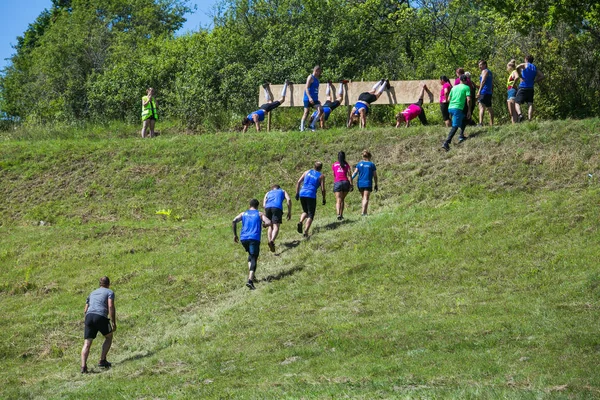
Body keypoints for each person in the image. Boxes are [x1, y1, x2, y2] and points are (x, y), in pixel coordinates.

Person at [232, 199, 272, 290]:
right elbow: (269, 222)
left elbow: (234, 221)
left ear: (249, 205)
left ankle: (252, 275)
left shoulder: (243, 213)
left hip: (243, 239)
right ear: (257, 206)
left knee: (250, 256)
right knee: (254, 257)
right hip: (254, 238)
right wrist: (265, 225)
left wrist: (235, 235)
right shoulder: (259, 214)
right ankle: (250, 281)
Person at [81, 276, 116, 374]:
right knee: (109, 337)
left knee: (87, 343)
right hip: (100, 316)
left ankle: (83, 367)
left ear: (99, 284)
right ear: (108, 284)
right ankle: (102, 360)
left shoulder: (92, 293)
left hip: (89, 316)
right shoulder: (109, 292)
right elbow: (110, 306)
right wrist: (113, 322)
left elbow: (85, 310)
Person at [442, 74, 472, 151]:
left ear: (460, 80)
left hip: (450, 108)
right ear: (465, 80)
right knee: (455, 126)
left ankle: (461, 135)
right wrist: (469, 110)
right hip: (457, 109)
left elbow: (448, 99)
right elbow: (468, 99)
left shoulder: (454, 87)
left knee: (465, 118)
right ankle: (446, 142)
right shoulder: (466, 87)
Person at [295, 162, 326, 237]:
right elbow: (322, 189)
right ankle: (306, 232)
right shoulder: (321, 176)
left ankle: (301, 221)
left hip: (302, 193)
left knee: (305, 211)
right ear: (321, 168)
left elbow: (299, 182)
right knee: (311, 214)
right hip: (311, 194)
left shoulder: (307, 172)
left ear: (314, 166)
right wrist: (324, 198)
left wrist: (297, 193)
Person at [515, 55, 545, 122]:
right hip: (531, 88)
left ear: (526, 59)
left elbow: (517, 67)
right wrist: (535, 81)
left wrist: (520, 75)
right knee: (530, 104)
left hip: (523, 87)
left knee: (517, 103)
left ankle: (520, 115)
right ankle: (529, 119)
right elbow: (542, 76)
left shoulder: (525, 64)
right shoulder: (534, 67)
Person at [262, 184, 292, 252]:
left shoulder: (268, 192)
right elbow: (289, 199)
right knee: (276, 226)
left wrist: (265, 213)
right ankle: (272, 241)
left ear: (272, 189)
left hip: (267, 208)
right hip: (277, 208)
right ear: (279, 188)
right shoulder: (282, 191)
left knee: (270, 226)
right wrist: (289, 211)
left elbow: (264, 204)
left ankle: (269, 241)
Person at [352, 150, 378, 216]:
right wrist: (376, 184)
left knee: (363, 197)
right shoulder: (371, 164)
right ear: (370, 156)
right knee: (366, 198)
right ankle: (363, 213)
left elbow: (355, 173)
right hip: (367, 183)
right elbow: (375, 176)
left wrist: (350, 179)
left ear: (363, 156)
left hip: (360, 183)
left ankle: (364, 211)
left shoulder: (359, 164)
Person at [300, 66, 323, 131]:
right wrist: (309, 98)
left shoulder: (317, 79)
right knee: (306, 112)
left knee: (321, 110)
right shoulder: (310, 77)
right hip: (307, 98)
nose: (319, 73)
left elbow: (316, 90)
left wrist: (317, 99)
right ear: (316, 71)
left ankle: (312, 125)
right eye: (319, 71)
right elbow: (306, 88)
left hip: (315, 99)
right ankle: (302, 128)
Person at [332, 151, 353, 220]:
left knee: (338, 199)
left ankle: (338, 214)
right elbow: (349, 175)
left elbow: (334, 175)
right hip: (345, 182)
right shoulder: (346, 165)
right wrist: (351, 184)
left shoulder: (334, 165)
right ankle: (341, 214)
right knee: (342, 199)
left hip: (337, 182)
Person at [476, 60, 494, 126]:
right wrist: (492, 91)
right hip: (488, 92)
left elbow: (483, 81)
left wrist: (479, 91)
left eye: (481, 65)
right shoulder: (490, 72)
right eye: (479, 65)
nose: (479, 66)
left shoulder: (484, 71)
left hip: (484, 91)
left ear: (485, 65)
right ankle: (492, 123)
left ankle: (480, 123)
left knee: (481, 107)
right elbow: (492, 83)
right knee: (489, 107)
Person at [506, 59, 520, 124]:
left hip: (512, 91)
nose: (507, 68)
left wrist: (513, 84)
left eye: (507, 67)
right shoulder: (511, 73)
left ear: (510, 66)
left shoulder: (514, 71)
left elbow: (517, 77)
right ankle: (514, 123)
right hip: (509, 91)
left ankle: (515, 124)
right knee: (511, 111)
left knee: (513, 110)